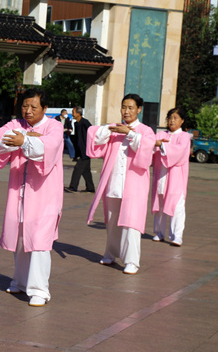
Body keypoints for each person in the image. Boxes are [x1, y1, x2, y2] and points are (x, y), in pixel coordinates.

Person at [0, 88, 63, 307]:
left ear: (45, 108)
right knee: (21, 236)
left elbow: (49, 146)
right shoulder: (16, 125)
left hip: (44, 193)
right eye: (25, 106)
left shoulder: (54, 126)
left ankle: (40, 289)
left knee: (40, 240)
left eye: (33, 107)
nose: (28, 111)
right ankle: (21, 280)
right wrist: (25, 138)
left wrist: (25, 141)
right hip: (19, 191)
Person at [85, 93, 155, 275]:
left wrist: (130, 134)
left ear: (139, 109)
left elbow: (148, 148)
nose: (126, 111)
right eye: (124, 107)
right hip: (114, 181)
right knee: (112, 220)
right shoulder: (115, 128)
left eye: (131, 107)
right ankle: (111, 253)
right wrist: (110, 129)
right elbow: (95, 136)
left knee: (131, 222)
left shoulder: (145, 130)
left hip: (134, 185)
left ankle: (132, 261)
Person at [151, 106, 191, 246]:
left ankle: (177, 235)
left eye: (175, 118)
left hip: (176, 177)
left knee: (177, 205)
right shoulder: (162, 134)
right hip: (161, 175)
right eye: (170, 118)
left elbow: (179, 152)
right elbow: (151, 146)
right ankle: (159, 232)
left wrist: (162, 146)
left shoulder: (184, 137)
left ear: (182, 121)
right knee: (160, 205)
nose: (172, 121)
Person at [66, 106, 95, 192]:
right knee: (86, 171)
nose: (72, 114)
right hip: (81, 151)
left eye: (73, 112)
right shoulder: (77, 124)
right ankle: (90, 188)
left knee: (78, 168)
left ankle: (73, 186)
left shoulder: (85, 122)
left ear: (78, 114)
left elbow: (92, 131)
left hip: (86, 151)